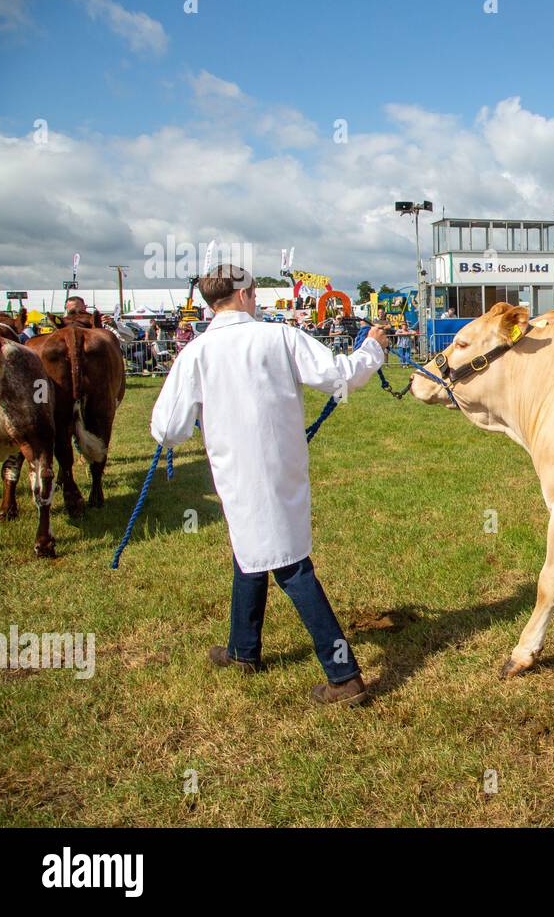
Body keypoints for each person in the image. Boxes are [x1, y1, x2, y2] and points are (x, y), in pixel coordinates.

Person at [151, 264, 390, 705]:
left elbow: (167, 428)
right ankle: (325, 670)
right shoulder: (278, 337)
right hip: (278, 467)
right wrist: (372, 348)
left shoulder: (196, 352)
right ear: (242, 295)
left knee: (274, 553)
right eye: (255, 291)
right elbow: (341, 376)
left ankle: (336, 673)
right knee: (278, 560)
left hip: (236, 473)